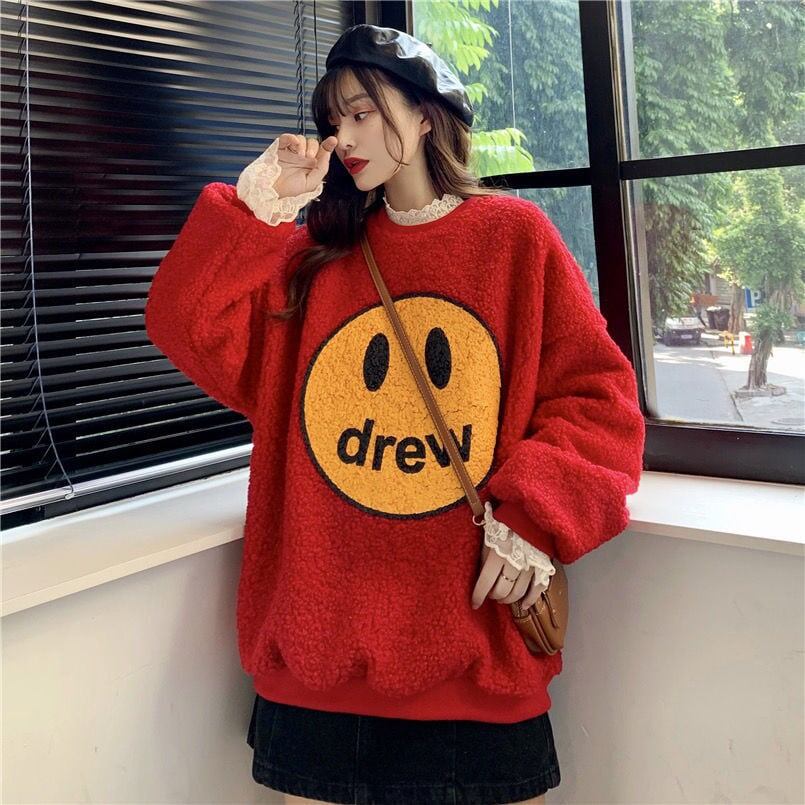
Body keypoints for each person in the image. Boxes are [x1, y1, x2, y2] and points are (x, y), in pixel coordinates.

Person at [144, 24, 645, 805]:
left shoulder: (513, 240)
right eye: (333, 119)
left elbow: (598, 398)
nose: (342, 138)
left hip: (472, 659)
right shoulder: (314, 260)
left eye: (362, 113)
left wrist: (533, 514)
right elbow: (186, 322)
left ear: (424, 114)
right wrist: (260, 210)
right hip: (316, 665)